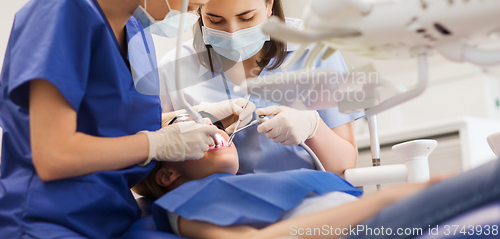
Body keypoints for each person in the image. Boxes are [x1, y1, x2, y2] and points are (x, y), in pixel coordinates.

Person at [0, 0, 255, 238]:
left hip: (111, 220)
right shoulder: (64, 11)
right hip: (47, 221)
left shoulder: (135, 32)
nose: (189, 16)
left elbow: (111, 125)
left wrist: (201, 116)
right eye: (190, 6)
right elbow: (54, 155)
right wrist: (156, 143)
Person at [159, 0, 363, 175]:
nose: (233, 33)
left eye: (246, 18)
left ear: (270, 2)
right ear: (198, 10)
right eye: (215, 20)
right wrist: (194, 119)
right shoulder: (173, 69)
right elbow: (153, 162)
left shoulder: (317, 50)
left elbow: (346, 166)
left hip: (308, 197)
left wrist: (314, 127)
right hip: (222, 204)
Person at [134, 128, 500, 239]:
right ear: (167, 174)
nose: (204, 128)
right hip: (365, 227)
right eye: (184, 135)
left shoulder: (248, 183)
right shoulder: (181, 203)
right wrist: (381, 200)